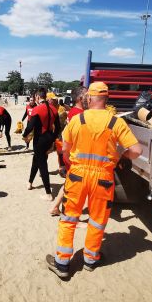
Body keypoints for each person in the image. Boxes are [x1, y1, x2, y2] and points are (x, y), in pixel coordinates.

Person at [46, 82, 142, 278]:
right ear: (106, 100)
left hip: (78, 176)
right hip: (103, 178)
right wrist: (120, 156)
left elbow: (64, 148)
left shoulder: (77, 120)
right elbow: (136, 151)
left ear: (88, 98)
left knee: (69, 218)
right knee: (98, 221)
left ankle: (62, 264)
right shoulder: (116, 122)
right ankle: (91, 259)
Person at [49, 86, 88, 216]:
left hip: (70, 153)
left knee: (68, 183)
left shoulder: (73, 112)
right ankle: (69, 214)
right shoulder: (78, 114)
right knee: (74, 186)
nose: (90, 98)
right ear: (80, 98)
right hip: (74, 155)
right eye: (87, 95)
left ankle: (55, 207)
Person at [22, 86, 61, 201]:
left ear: (38, 97)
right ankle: (30, 183)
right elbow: (58, 127)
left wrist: (24, 136)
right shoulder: (54, 109)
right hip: (49, 137)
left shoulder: (37, 109)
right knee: (37, 160)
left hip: (39, 140)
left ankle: (48, 194)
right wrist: (53, 139)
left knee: (42, 164)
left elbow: (30, 127)